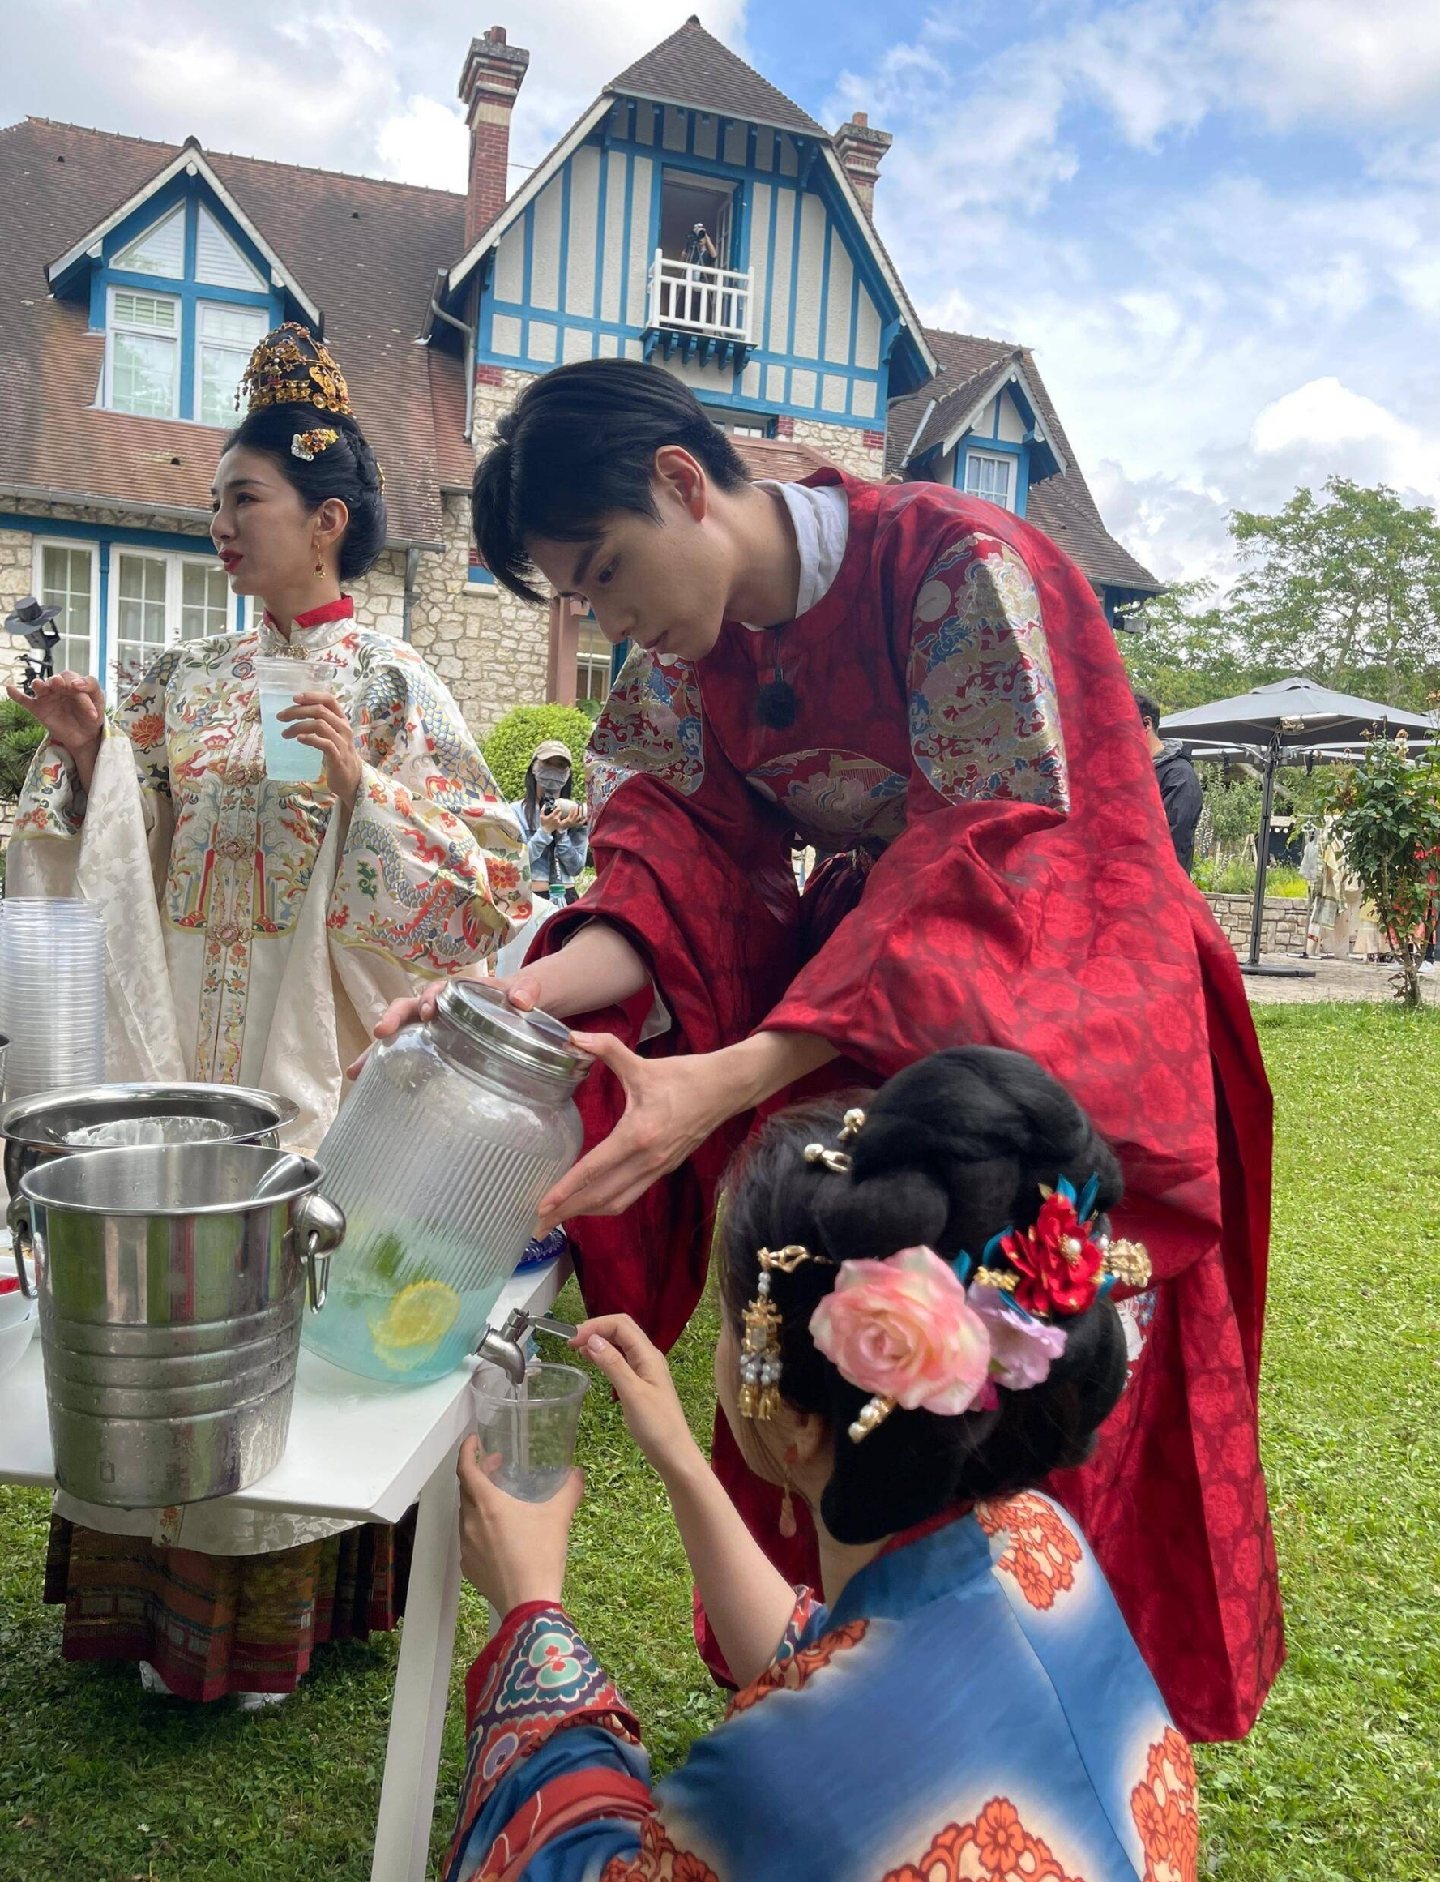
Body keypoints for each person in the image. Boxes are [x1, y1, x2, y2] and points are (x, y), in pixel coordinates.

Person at [373, 357, 1281, 1742]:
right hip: (865, 1023)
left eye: (609, 572)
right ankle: (851, 1708)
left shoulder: (958, 563)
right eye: (584, 597)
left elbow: (997, 855)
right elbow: (673, 881)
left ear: (685, 479)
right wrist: (516, 996)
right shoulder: (696, 651)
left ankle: (1043, 1741)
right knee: (851, 1381)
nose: (614, 618)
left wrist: (731, 1082)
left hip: (1071, 999)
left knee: (1014, 1376)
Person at [6, 323, 529, 1703]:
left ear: (328, 520)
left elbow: (488, 881)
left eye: (244, 500)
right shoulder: (185, 683)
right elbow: (120, 848)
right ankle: (147, 1595)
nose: (221, 523)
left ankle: (276, 1624)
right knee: (170, 1289)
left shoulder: (398, 686)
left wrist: (372, 805)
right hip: (183, 1041)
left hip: (326, 1054)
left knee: (282, 1294)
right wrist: (84, 762)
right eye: (216, 503)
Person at [443, 1051, 1200, 1882]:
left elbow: (578, 1867)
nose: (724, 1351)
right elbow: (835, 1657)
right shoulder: (1040, 1542)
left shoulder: (771, 1784)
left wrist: (530, 1613)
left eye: (731, 1328)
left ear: (797, 1422)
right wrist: (680, 1459)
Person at [512, 737, 589, 905]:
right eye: (547, 763)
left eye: (561, 766)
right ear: (534, 767)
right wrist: (545, 831)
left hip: (566, 898)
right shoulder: (515, 812)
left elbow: (576, 868)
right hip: (531, 899)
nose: (554, 770)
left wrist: (562, 832)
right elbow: (516, 864)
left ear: (568, 773)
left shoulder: (575, 813)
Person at [1134, 691, 1203, 874]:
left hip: (1158, 890)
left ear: (1146, 724)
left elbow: (1171, 844)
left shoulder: (1179, 777)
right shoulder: (1133, 774)